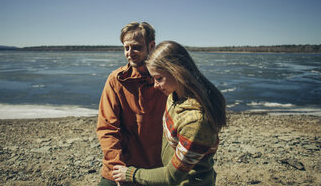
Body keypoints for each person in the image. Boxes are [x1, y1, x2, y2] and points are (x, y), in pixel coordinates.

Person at [112, 41, 227, 185]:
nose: (155, 85)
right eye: (153, 78)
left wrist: (129, 173)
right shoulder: (174, 96)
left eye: (159, 78)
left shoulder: (196, 122)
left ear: (177, 71)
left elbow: (171, 177)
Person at [96, 22, 167, 185]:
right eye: (126, 48)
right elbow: (107, 128)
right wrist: (117, 167)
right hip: (121, 166)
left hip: (157, 168)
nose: (129, 53)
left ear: (152, 46)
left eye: (136, 47)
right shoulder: (116, 80)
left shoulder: (166, 79)